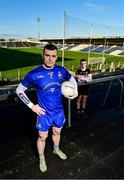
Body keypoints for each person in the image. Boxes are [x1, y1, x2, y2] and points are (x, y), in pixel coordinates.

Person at [16, 43, 78, 173]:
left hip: (59, 112)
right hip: (44, 114)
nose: (50, 58)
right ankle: (42, 157)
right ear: (43, 55)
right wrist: (32, 106)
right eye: (47, 55)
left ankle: (56, 149)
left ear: (56, 57)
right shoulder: (34, 74)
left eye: (53, 56)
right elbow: (19, 90)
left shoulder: (61, 71)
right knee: (42, 137)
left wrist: (75, 92)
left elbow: (72, 80)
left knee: (57, 132)